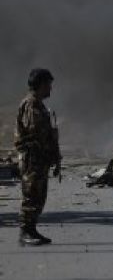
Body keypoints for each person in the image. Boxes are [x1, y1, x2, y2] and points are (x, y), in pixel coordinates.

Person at [15, 68, 60, 246]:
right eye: (49, 84)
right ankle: (25, 232)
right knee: (31, 195)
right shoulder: (31, 104)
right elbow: (35, 132)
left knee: (38, 196)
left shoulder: (38, 105)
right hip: (32, 158)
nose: (51, 89)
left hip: (39, 159)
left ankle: (31, 230)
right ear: (41, 85)